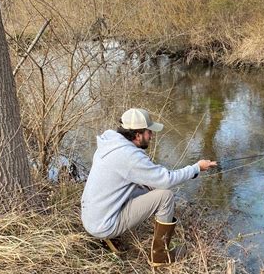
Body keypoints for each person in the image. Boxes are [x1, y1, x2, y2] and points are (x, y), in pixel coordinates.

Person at [81, 108, 217, 264]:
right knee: (165, 196)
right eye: (148, 132)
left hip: (91, 217)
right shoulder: (129, 156)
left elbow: (146, 179)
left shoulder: (111, 143)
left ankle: (110, 239)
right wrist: (196, 168)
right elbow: (166, 179)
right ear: (138, 135)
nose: (152, 136)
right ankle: (160, 255)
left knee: (150, 187)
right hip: (103, 224)